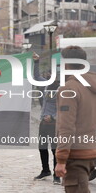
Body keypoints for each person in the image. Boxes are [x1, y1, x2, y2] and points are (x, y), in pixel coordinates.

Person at [55, 46, 96, 193]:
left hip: (75, 154)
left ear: (66, 64)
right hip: (90, 150)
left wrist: (61, 159)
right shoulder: (92, 85)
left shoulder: (70, 88)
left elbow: (66, 127)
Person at [32, 53, 60, 185]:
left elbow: (65, 108)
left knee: (55, 149)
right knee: (42, 147)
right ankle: (45, 170)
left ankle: (57, 174)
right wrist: (36, 62)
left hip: (55, 123)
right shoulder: (45, 85)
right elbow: (36, 77)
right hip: (43, 122)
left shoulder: (62, 88)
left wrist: (53, 117)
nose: (48, 75)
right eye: (48, 73)